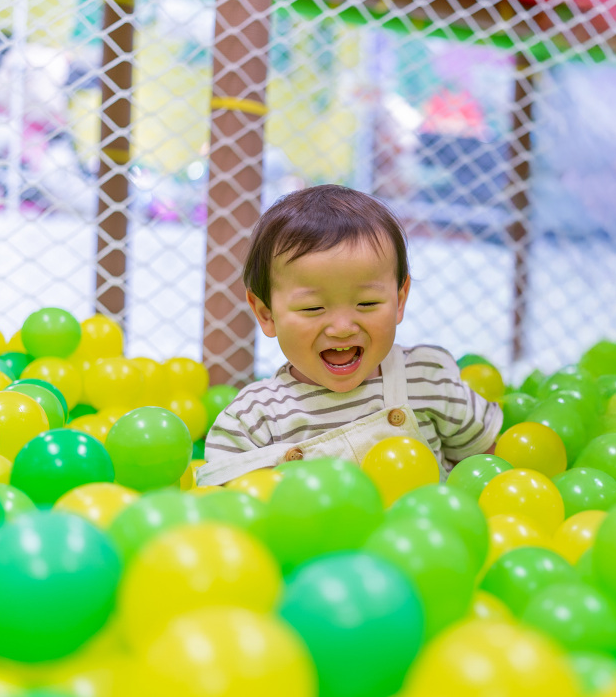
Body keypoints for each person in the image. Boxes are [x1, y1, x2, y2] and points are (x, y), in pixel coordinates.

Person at [197, 184, 502, 486]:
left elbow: (485, 467)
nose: (342, 327)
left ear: (400, 299)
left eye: (367, 303)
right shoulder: (253, 419)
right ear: (267, 314)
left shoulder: (427, 379)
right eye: (313, 307)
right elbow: (226, 507)